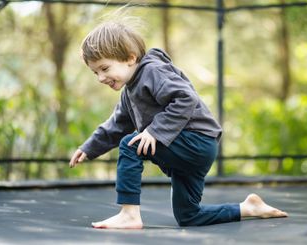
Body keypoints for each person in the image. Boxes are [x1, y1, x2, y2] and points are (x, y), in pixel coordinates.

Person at [69, 17, 288, 229]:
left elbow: (186, 98)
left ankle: (129, 215)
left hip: (196, 140)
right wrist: (89, 148)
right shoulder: (129, 93)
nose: (100, 77)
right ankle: (248, 208)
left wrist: (154, 131)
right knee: (189, 216)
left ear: (130, 58)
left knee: (130, 145)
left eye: (105, 69)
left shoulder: (153, 71)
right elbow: (116, 125)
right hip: (188, 153)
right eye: (95, 72)